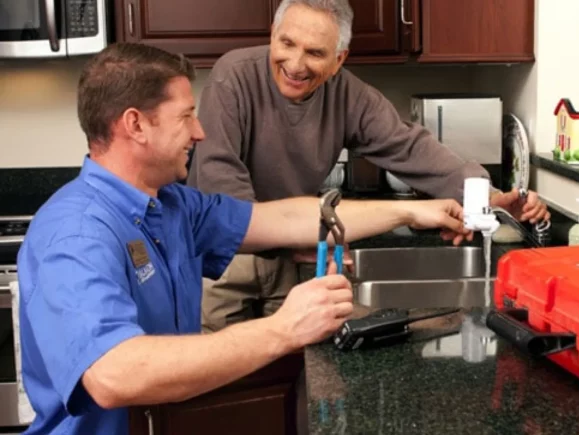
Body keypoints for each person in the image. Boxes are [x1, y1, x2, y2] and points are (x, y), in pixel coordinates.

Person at [15, 42, 472, 435]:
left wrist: (412, 209)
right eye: (186, 116)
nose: (201, 131)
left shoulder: (172, 204)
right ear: (135, 125)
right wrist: (284, 328)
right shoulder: (75, 233)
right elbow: (113, 374)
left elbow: (282, 218)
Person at [186, 0, 551, 332]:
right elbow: (223, 194)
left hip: (295, 253)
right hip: (224, 263)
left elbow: (408, 147)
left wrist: (484, 195)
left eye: (315, 53)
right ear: (273, 35)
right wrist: (288, 243)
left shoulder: (348, 95)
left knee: (292, 374)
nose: (295, 65)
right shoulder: (231, 77)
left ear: (339, 59)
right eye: (286, 44)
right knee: (221, 390)